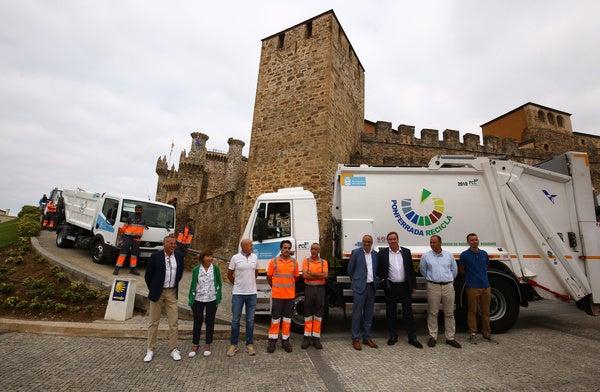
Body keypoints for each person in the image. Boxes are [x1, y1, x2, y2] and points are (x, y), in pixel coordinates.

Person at [143, 235, 185, 362]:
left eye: (174, 244)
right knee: (153, 322)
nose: (173, 245)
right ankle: (150, 349)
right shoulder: (155, 257)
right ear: (164, 244)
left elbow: (180, 274)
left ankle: (173, 349)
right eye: (171, 243)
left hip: (171, 292)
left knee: (173, 322)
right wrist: (154, 288)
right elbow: (148, 275)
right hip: (158, 292)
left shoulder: (179, 257)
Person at [378, 231, 423, 349]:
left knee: (408, 312)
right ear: (387, 241)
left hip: (404, 286)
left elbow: (411, 270)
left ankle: (412, 337)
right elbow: (379, 269)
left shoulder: (406, 252)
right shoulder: (382, 253)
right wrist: (383, 281)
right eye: (390, 239)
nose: (392, 241)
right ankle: (393, 336)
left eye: (394, 239)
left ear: (398, 240)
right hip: (391, 286)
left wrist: (413, 285)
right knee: (391, 312)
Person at [420, 235, 461, 349]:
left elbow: (454, 271)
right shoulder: (426, 256)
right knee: (433, 312)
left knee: (449, 313)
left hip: (448, 286)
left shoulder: (449, 256)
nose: (432, 244)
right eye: (431, 242)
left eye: (434, 242)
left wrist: (446, 280)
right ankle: (433, 337)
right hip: (433, 286)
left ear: (440, 243)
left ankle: (450, 338)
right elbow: (423, 271)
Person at [459, 233, 498, 344]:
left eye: (476, 239)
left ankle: (486, 333)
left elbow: (485, 267)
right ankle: (472, 333)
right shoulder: (464, 255)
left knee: (486, 311)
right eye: (472, 240)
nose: (474, 241)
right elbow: (462, 269)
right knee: (472, 311)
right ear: (468, 242)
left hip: (486, 287)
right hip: (472, 287)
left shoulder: (484, 254)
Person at [227, 238, 259, 357]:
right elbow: (229, 275)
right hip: (238, 293)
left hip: (251, 293)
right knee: (236, 320)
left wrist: (249, 283)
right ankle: (233, 345)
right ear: (243, 247)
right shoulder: (235, 258)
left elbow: (255, 273)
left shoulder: (254, 257)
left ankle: (249, 344)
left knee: (250, 320)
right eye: (250, 245)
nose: (252, 247)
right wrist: (238, 284)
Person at [266, 240, 299, 353]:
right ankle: (272, 341)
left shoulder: (294, 262)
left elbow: (296, 278)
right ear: (281, 249)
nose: (287, 250)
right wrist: (275, 287)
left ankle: (285, 341)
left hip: (289, 296)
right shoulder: (273, 262)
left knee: (287, 320)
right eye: (285, 248)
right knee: (275, 319)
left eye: (289, 248)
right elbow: (269, 277)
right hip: (278, 295)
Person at [188, 249, 222, 357]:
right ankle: (195, 344)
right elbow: (193, 283)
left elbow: (219, 283)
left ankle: (208, 344)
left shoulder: (215, 269)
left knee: (210, 321)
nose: (210, 258)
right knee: (197, 321)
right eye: (208, 256)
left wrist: (218, 296)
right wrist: (191, 299)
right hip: (198, 298)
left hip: (211, 298)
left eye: (211, 256)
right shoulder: (196, 269)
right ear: (203, 258)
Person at [347, 234, 379, 350]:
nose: (366, 244)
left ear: (371, 243)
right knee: (357, 314)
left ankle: (367, 337)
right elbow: (350, 270)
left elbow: (376, 270)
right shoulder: (356, 253)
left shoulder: (375, 255)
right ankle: (355, 338)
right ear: (362, 242)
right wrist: (357, 280)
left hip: (371, 287)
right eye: (365, 242)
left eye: (369, 242)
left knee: (369, 314)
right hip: (359, 287)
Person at [301, 243, 328, 350]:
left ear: (319, 251)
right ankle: (306, 338)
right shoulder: (305, 261)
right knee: (307, 313)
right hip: (309, 289)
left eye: (315, 249)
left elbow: (325, 275)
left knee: (318, 314)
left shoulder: (324, 262)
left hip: (320, 290)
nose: (313, 251)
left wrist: (311, 273)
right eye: (312, 249)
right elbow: (305, 275)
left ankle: (316, 338)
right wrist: (318, 275)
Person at [113, 205, 145, 276]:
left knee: (134, 255)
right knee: (123, 253)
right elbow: (124, 228)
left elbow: (142, 230)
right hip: (128, 238)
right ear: (135, 210)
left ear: (141, 211)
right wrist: (123, 238)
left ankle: (133, 269)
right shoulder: (129, 218)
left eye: (140, 210)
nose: (139, 211)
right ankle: (117, 268)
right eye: (137, 209)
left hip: (137, 240)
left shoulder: (143, 220)